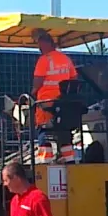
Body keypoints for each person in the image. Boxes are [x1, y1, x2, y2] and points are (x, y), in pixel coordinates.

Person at [31, 29, 78, 163]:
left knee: (44, 131)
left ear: (46, 44)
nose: (39, 48)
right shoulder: (66, 59)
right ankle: (69, 161)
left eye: (40, 45)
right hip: (64, 105)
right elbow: (74, 79)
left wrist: (31, 94)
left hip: (46, 103)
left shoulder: (44, 60)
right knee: (64, 133)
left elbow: (38, 82)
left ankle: (45, 163)